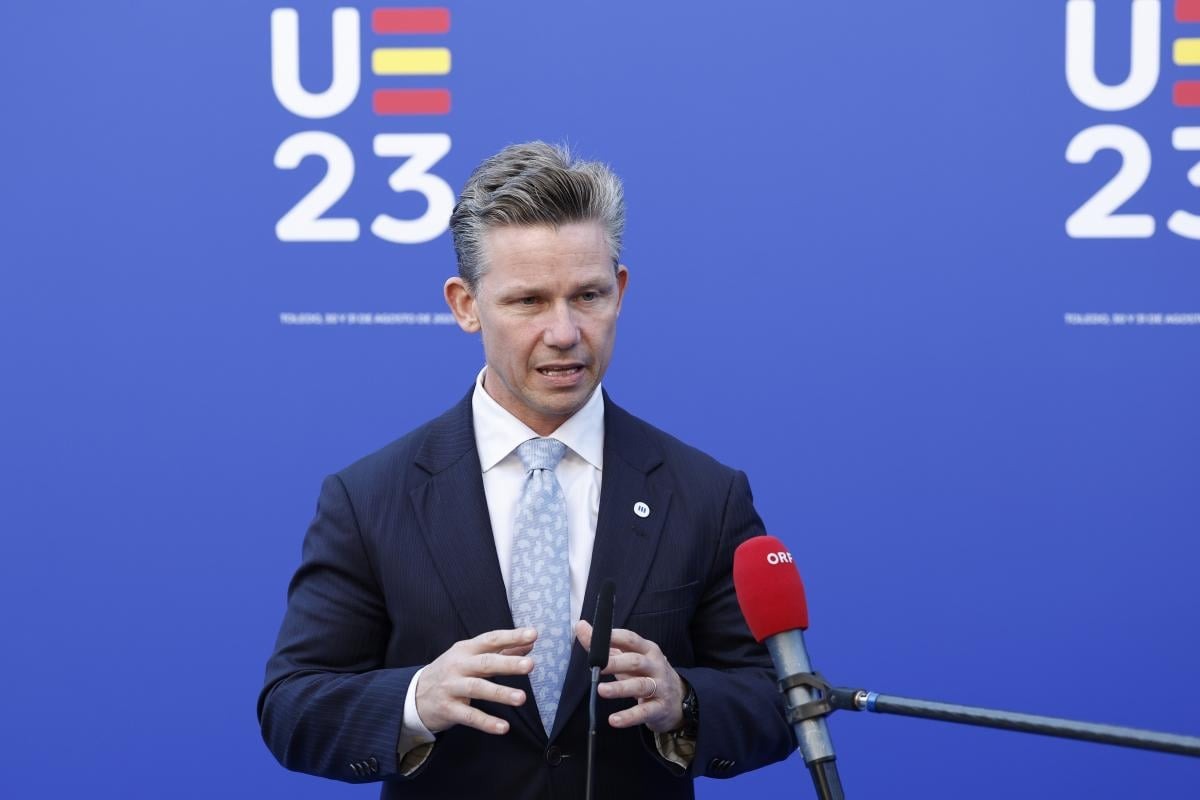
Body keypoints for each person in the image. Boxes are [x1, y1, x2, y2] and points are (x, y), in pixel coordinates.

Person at [258, 142, 795, 799]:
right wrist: (416, 699)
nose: (565, 332)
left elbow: (778, 700)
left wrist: (683, 700)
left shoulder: (705, 493)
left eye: (588, 295)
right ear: (465, 304)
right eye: (529, 301)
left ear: (621, 292)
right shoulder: (369, 499)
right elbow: (292, 707)